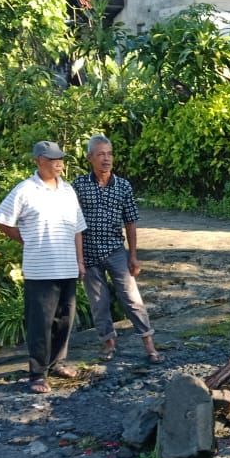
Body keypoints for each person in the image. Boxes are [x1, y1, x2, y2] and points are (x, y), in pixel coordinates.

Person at [0, 141, 87, 394]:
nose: (58, 163)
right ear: (38, 161)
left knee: (64, 320)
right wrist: (26, 239)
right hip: (40, 268)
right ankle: (37, 374)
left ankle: (57, 363)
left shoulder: (68, 190)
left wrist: (80, 261)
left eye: (61, 159)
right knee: (40, 322)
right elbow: (1, 220)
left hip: (67, 266)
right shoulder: (25, 190)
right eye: (52, 159)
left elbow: (78, 228)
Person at [73, 134, 162, 364]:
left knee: (131, 298)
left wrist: (133, 255)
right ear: (89, 158)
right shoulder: (79, 186)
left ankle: (149, 344)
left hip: (115, 251)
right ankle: (108, 344)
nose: (106, 159)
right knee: (98, 303)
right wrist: (79, 259)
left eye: (109, 154)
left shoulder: (123, 186)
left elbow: (130, 222)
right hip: (89, 254)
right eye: (101, 154)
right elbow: (73, 225)